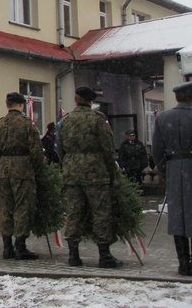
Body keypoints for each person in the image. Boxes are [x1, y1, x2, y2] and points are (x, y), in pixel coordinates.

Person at [58, 86, 122, 268]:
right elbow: (108, 148)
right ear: (91, 101)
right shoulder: (98, 119)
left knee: (74, 212)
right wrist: (112, 173)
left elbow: (60, 148)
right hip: (95, 173)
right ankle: (104, 255)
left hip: (72, 173)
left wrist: (69, 165)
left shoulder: (66, 120)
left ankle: (73, 255)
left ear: (76, 98)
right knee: (101, 212)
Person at [0, 92, 43, 260]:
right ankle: (20, 245)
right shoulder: (26, 124)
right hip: (23, 167)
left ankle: (7, 247)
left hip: (5, 167)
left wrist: (3, 162)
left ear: (7, 104)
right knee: (22, 206)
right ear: (21, 105)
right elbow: (36, 151)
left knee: (6, 206)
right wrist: (36, 168)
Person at [152, 81, 192, 276]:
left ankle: (184, 263)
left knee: (178, 217)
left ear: (176, 97)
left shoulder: (163, 117)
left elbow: (157, 149)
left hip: (175, 169)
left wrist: (163, 171)